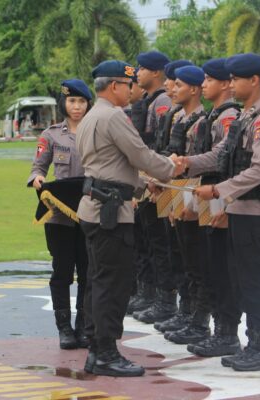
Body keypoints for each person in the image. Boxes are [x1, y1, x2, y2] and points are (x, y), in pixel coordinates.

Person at [179, 53, 260, 372]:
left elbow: (259, 171)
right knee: (241, 277)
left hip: (255, 212)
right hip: (240, 210)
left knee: (255, 280)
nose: (232, 84)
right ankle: (251, 344)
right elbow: (220, 154)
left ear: (254, 80)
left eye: (237, 79)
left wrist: (217, 191)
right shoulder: (244, 119)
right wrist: (187, 163)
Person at [76, 60, 180, 377]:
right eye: (127, 84)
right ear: (115, 86)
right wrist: (171, 167)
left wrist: (139, 183)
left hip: (96, 205)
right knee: (114, 284)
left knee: (99, 281)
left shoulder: (92, 116)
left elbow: (110, 165)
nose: (131, 89)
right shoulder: (114, 116)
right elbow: (139, 155)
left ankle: (98, 348)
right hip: (111, 212)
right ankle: (106, 352)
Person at [27, 79, 92, 350]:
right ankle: (64, 328)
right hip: (60, 214)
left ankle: (85, 327)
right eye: (71, 101)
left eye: (81, 101)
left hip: (91, 211)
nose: (76, 107)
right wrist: (38, 180)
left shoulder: (97, 131)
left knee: (88, 272)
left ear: (89, 104)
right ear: (64, 103)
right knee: (62, 272)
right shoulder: (51, 135)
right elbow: (37, 167)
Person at [186, 57, 242, 358]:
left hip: (221, 195)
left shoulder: (229, 116)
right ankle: (220, 331)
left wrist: (226, 204)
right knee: (210, 264)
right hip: (210, 194)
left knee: (222, 268)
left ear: (224, 83)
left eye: (208, 79)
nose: (203, 84)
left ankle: (227, 334)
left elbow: (226, 163)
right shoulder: (217, 115)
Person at [162, 65, 210, 345]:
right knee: (181, 257)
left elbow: (200, 165)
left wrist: (190, 202)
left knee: (196, 260)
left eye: (179, 85)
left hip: (194, 192)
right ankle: (187, 313)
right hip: (178, 188)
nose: (173, 89)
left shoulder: (202, 120)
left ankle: (198, 320)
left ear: (193, 89)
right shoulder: (182, 118)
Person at [132, 51, 179, 325]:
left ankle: (164, 299)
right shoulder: (150, 101)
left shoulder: (161, 102)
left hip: (157, 180)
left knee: (159, 243)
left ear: (156, 73)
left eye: (143, 68)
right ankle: (150, 292)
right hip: (149, 178)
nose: (138, 73)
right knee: (148, 240)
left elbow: (158, 146)